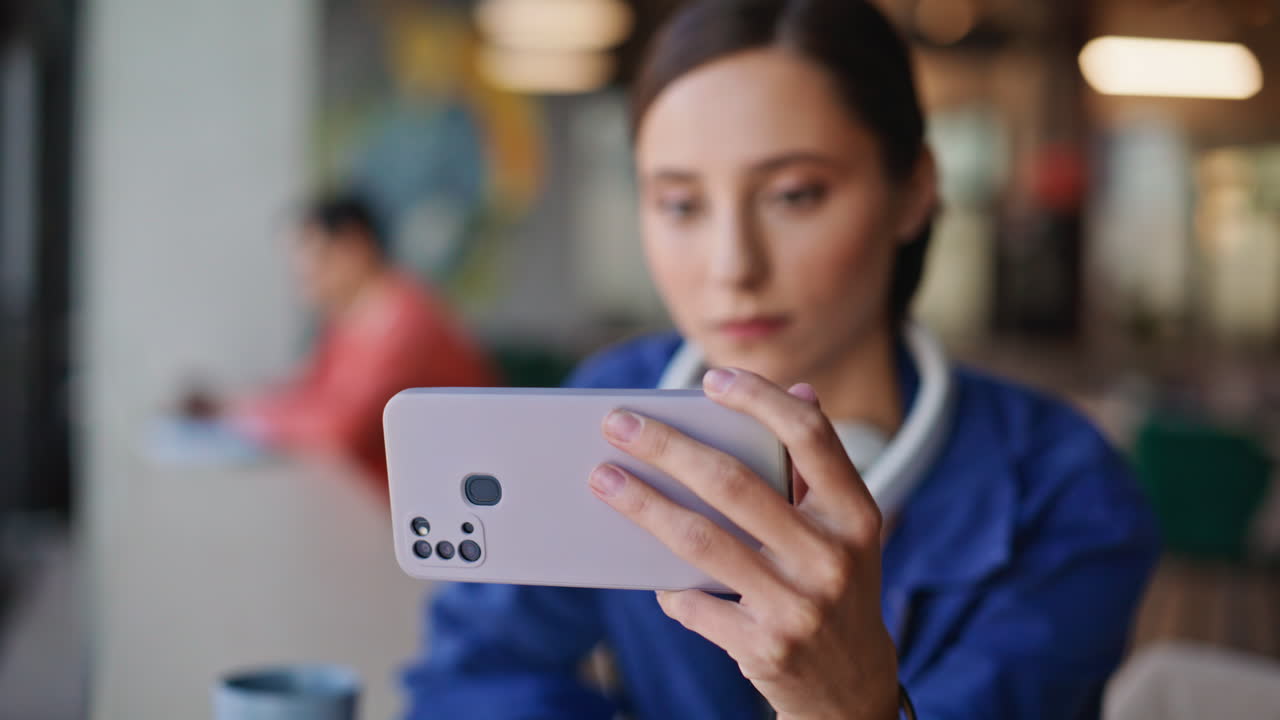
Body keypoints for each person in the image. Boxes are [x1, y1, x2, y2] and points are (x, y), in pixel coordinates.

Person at [401, 1, 1159, 718]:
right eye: (680, 204)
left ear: (914, 191)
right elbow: (472, 674)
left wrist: (855, 703)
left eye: (794, 195)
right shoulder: (609, 404)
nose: (732, 265)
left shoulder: (1063, 492)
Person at [213, 192, 497, 480]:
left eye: (314, 256)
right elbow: (313, 394)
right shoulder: (348, 319)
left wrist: (250, 419)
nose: (302, 272)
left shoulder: (406, 322)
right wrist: (239, 407)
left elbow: (343, 429)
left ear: (354, 246)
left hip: (423, 496)